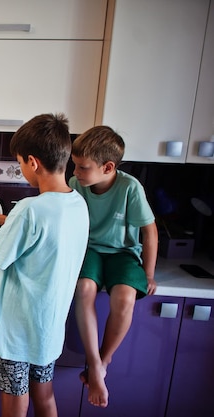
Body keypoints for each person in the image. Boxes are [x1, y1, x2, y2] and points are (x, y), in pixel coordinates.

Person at [0, 113, 89, 417]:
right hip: (47, 329)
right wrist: (2, 219)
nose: (22, 169)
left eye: (20, 163)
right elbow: (46, 232)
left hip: (17, 333)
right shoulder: (76, 203)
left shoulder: (30, 209)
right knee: (44, 397)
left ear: (33, 162)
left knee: (15, 402)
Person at [69, 125, 158, 408]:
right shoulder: (76, 184)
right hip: (90, 249)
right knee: (84, 288)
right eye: (75, 166)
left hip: (123, 253)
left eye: (83, 167)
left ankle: (103, 362)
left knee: (125, 296)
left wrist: (149, 273)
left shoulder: (130, 187)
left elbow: (150, 232)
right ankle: (94, 363)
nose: (77, 173)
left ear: (108, 167)